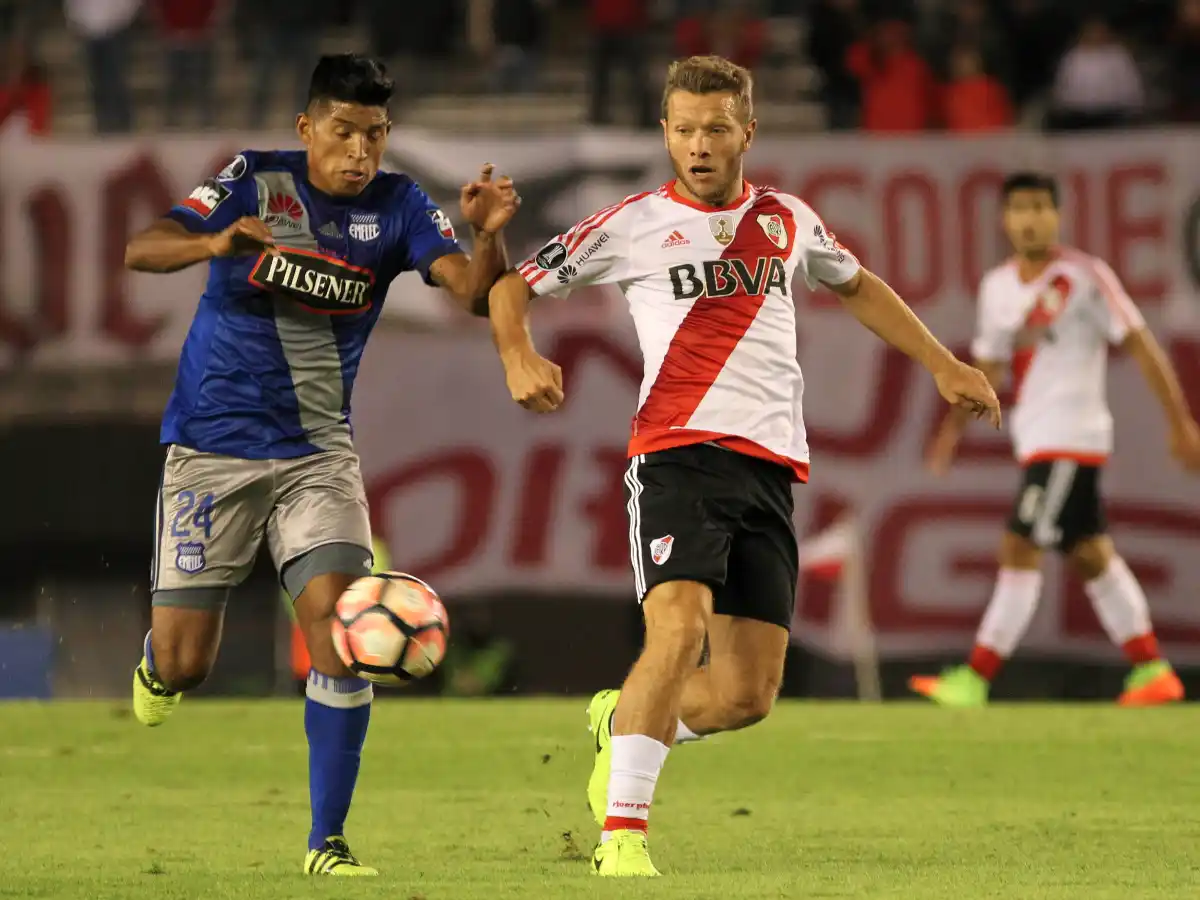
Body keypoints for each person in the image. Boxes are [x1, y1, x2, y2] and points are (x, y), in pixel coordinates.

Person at [485, 54, 1000, 877]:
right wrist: (518, 356)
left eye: (716, 129)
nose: (699, 144)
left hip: (768, 469)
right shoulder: (631, 223)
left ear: (747, 133)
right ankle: (623, 836)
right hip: (675, 457)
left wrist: (943, 364)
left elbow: (860, 286)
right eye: (684, 129)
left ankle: (624, 721)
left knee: (743, 697)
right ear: (664, 133)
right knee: (678, 629)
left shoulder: (789, 220)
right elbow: (511, 287)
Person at [123, 53, 518, 876]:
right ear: (307, 129)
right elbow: (142, 248)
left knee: (340, 630)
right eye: (343, 131)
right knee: (188, 661)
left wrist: (487, 234)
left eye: (375, 134)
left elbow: (474, 294)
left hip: (317, 457)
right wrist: (212, 241)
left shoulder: (400, 203)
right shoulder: (251, 179)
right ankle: (158, 672)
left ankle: (326, 842)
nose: (360, 150)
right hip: (209, 452)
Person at [912, 171, 1200, 708]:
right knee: (1091, 553)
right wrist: (951, 431)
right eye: (1021, 208)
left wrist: (1180, 423)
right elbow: (990, 366)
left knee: (1019, 544)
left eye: (1042, 207)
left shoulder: (1086, 277)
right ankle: (1152, 668)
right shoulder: (998, 288)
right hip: (1035, 438)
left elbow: (1141, 345)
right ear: (1005, 219)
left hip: (1072, 436)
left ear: (1057, 215)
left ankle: (975, 677)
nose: (1031, 218)